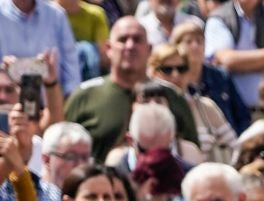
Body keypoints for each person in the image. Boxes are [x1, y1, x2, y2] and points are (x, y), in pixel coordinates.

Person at [65, 15, 197, 159]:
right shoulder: (84, 96)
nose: (130, 46)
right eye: (123, 40)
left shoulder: (172, 96)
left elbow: (191, 152)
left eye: (137, 39)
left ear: (149, 48)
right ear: (108, 48)